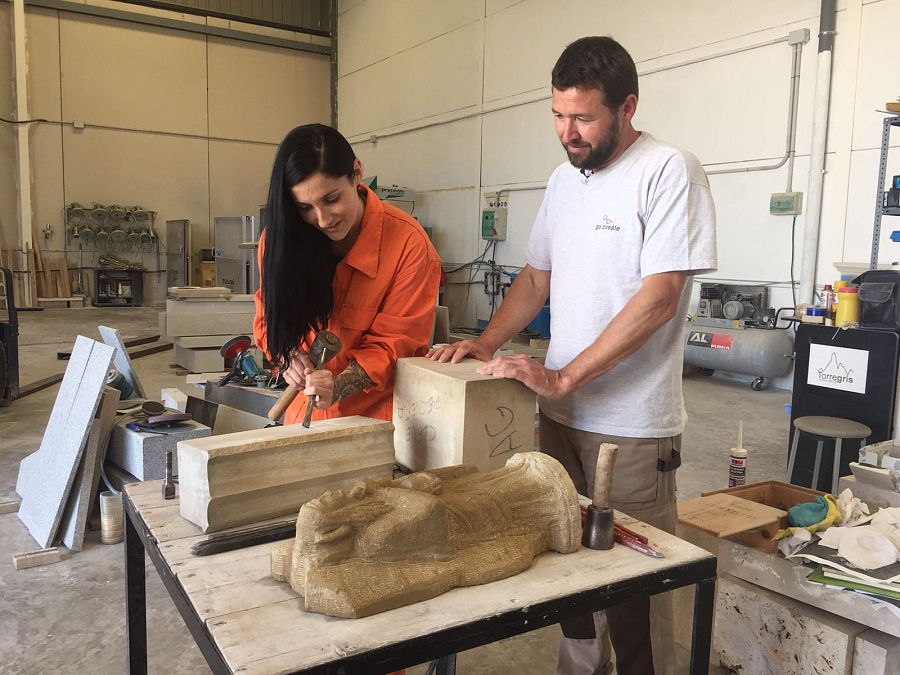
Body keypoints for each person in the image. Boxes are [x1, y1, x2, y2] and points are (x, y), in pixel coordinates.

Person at [429, 36, 717, 675]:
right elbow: (537, 277)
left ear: (627, 107)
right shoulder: (564, 181)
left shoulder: (669, 170)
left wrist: (562, 374)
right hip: (561, 418)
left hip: (633, 429)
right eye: (558, 116)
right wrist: (486, 340)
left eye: (584, 117)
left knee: (638, 587)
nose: (568, 132)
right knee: (565, 566)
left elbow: (661, 296)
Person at [254, 123, 442, 425]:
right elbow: (268, 318)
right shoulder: (280, 242)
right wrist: (290, 357)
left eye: (331, 199)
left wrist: (338, 385)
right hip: (302, 422)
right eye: (305, 207)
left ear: (356, 172)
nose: (322, 219)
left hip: (375, 427)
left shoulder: (409, 245)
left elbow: (394, 347)